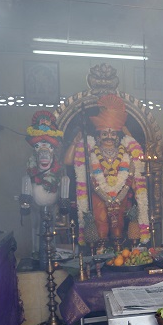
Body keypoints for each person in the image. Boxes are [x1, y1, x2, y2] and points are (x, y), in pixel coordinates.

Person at [65, 94, 150, 248]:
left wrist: (120, 194)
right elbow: (72, 163)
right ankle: (101, 251)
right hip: (98, 195)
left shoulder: (124, 152)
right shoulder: (91, 152)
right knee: (101, 225)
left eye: (113, 134)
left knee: (118, 226)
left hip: (121, 194)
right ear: (98, 136)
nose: (109, 137)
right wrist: (75, 141)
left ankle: (118, 249)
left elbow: (132, 170)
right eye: (105, 133)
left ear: (118, 136)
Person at [20, 110, 70, 262]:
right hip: (35, 204)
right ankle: (36, 251)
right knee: (35, 226)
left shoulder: (59, 170)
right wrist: (25, 202)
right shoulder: (31, 169)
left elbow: (64, 182)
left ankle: (52, 251)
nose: (44, 152)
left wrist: (64, 201)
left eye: (48, 146)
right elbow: (27, 180)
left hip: (53, 204)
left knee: (52, 227)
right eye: (40, 146)